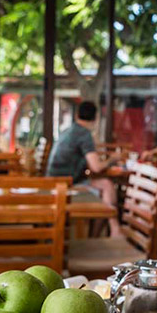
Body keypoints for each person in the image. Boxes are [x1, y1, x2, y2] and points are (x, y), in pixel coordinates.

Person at [47, 101, 123, 237]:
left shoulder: (69, 131)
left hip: (54, 182)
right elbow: (96, 167)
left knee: (105, 187)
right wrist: (113, 159)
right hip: (66, 185)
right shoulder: (84, 134)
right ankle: (111, 230)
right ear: (96, 118)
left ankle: (104, 232)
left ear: (77, 115)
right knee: (106, 186)